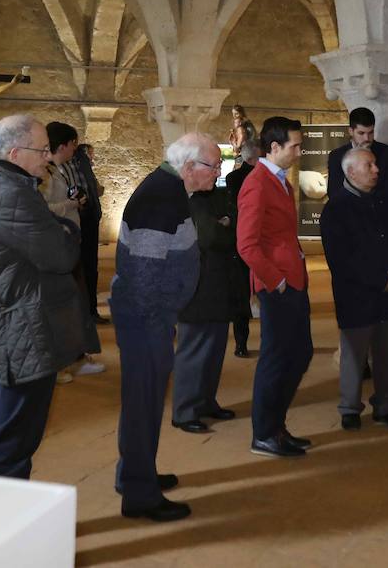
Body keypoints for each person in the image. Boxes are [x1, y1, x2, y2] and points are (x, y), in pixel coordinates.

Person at [0, 115, 86, 480]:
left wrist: (57, 229)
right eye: (42, 150)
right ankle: (5, 515)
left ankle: (1, 503)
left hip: (19, 316)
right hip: (24, 323)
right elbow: (62, 255)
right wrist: (67, 231)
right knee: (16, 429)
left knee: (10, 419)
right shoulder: (11, 195)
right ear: (15, 152)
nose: (48, 157)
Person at [111, 133, 219, 521]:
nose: (218, 173)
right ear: (190, 168)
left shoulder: (170, 190)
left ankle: (133, 473)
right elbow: (142, 272)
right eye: (213, 166)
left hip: (150, 317)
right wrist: (158, 320)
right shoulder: (161, 198)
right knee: (143, 402)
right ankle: (140, 494)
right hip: (145, 320)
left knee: (144, 402)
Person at [321, 148, 388, 430]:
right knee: (354, 356)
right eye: (369, 165)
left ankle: (385, 405)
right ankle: (349, 408)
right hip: (357, 297)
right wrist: (379, 279)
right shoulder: (336, 209)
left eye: (375, 164)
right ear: (351, 172)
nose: (376, 169)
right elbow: (341, 258)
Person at [238, 116, 315, 458]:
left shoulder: (279, 179)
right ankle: (264, 434)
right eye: (294, 146)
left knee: (299, 353)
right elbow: (247, 244)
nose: (300, 151)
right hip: (279, 285)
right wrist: (277, 280)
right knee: (276, 358)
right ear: (274, 147)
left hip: (293, 279)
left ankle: (277, 426)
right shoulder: (257, 183)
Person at [170, 181, 241, 433]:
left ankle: (206, 402)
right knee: (194, 351)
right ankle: (184, 410)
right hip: (196, 286)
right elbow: (210, 237)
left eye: (218, 164)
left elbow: (235, 220)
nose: (218, 170)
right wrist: (225, 226)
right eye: (212, 165)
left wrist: (227, 223)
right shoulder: (184, 198)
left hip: (218, 283)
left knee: (214, 349)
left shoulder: (217, 194)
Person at [43, 121, 104, 380]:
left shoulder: (58, 170)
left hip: (68, 243)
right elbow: (42, 208)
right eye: (73, 144)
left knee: (74, 302)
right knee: (58, 307)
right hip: (56, 246)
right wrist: (70, 204)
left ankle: (76, 356)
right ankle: (57, 364)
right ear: (64, 145)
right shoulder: (45, 173)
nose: (75, 149)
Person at [225, 138, 259, 357]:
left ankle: (241, 343)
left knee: (241, 294)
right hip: (255, 240)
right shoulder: (260, 178)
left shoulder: (232, 178)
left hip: (239, 240)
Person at [327, 106, 388, 200]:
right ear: (350, 131)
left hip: (380, 212)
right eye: (361, 133)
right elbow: (334, 192)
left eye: (370, 133)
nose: (366, 138)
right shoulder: (336, 156)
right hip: (347, 212)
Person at [73, 142, 107, 324]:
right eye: (91, 153)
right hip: (85, 223)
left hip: (86, 222)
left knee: (88, 267)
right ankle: (89, 310)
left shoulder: (79, 167)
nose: (92, 157)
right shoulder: (79, 166)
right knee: (87, 267)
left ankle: (89, 309)